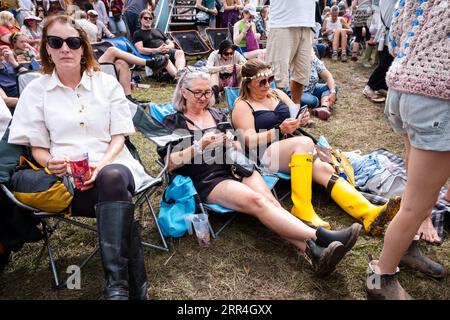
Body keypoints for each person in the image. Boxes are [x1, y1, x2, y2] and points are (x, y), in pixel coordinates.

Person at [158, 68, 362, 277]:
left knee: (271, 203)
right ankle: (321, 237)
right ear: (183, 92)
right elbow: (169, 164)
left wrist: (231, 142)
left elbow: (239, 145)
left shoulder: (217, 114)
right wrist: (200, 146)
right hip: (209, 178)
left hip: (236, 165)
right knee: (258, 202)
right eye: (198, 93)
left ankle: (315, 253)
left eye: (208, 92)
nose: (204, 98)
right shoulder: (173, 122)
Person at [8, 14, 150, 300]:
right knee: (117, 201)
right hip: (68, 181)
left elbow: (119, 136)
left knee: (111, 178)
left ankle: (116, 287)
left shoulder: (106, 85)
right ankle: (130, 287)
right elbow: (37, 147)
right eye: (56, 42)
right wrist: (50, 162)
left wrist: (104, 162)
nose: (65, 49)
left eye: (73, 42)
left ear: (83, 47)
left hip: (114, 164)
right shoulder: (36, 91)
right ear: (46, 48)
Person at [231, 59, 401, 235]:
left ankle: (369, 214)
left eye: (270, 79)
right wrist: (278, 130)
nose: (268, 85)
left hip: (291, 147)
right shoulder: (243, 105)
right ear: (248, 83)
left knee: (323, 168)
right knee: (304, 143)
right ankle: (302, 209)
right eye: (262, 82)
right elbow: (248, 140)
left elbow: (295, 113)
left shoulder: (276, 94)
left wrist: (301, 119)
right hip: (264, 154)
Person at [366, 0, 450, 299]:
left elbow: (393, 39)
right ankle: (381, 276)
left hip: (403, 91)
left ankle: (405, 247)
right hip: (436, 99)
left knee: (419, 187)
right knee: (417, 202)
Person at [266, 0, 315, 104]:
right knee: (277, 77)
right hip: (282, 23)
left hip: (307, 24)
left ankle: (294, 113)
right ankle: (275, 114)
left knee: (300, 76)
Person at [133, 9, 186, 79]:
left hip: (165, 50)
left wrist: (168, 47)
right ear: (140, 20)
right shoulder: (138, 33)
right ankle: (178, 78)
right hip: (154, 54)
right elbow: (140, 50)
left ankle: (180, 72)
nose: (148, 20)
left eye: (150, 18)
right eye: (145, 18)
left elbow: (171, 43)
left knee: (180, 52)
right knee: (165, 59)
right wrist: (157, 50)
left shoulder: (158, 30)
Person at [362, 0, 396, 103]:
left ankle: (381, 86)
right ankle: (370, 87)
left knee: (389, 63)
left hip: (390, 35)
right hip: (386, 35)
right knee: (384, 63)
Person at [301, 51, 338, 120]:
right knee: (312, 101)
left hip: (312, 89)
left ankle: (324, 107)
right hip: (297, 93)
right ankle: (322, 102)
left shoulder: (313, 58)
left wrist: (333, 92)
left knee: (333, 87)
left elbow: (328, 77)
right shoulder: (291, 59)